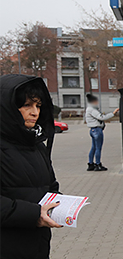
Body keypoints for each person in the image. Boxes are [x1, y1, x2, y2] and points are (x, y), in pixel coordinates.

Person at [0, 74, 62, 259]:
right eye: (27, 105)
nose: (35, 112)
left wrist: (59, 206)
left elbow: (50, 185)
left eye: (38, 106)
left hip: (37, 244)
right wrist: (34, 214)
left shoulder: (36, 144)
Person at [84, 94, 119, 171]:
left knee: (93, 147)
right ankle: (98, 164)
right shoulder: (92, 109)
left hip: (92, 130)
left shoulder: (89, 109)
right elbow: (102, 117)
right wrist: (113, 113)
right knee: (98, 148)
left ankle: (90, 164)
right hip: (97, 130)